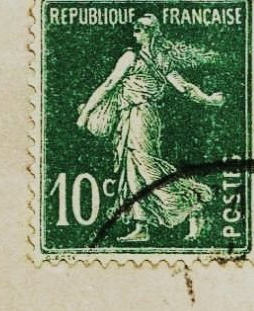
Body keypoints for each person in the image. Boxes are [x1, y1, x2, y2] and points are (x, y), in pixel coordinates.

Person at [76, 13, 225, 242]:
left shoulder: (133, 56)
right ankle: (142, 225)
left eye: (139, 29)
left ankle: (193, 203)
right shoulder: (158, 58)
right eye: (135, 29)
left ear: (149, 32)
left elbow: (109, 85)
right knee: (133, 169)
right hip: (134, 116)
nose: (135, 33)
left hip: (141, 115)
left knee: (146, 166)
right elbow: (183, 87)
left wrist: (86, 113)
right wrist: (208, 99)